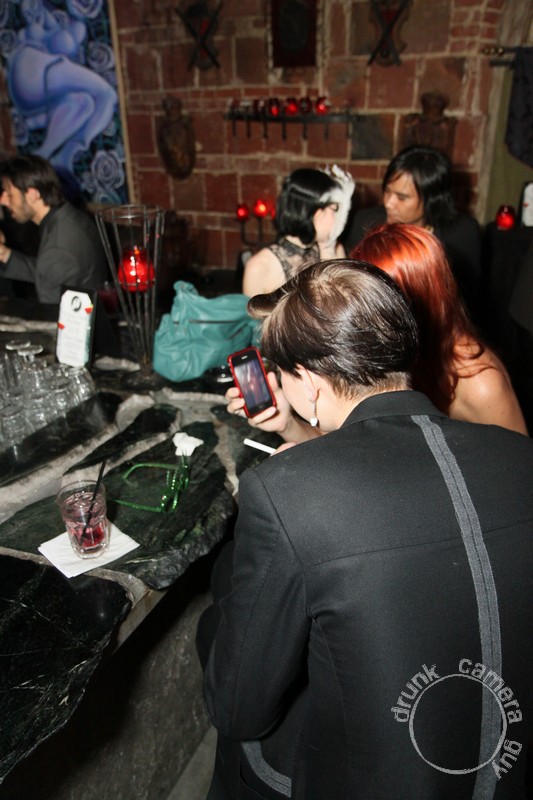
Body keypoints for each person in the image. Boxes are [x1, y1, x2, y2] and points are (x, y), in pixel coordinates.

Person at [201, 260, 533, 800]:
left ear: (308, 383)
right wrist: (294, 428)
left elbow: (238, 708)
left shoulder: (284, 493)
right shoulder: (520, 456)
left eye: (282, 373)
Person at [227, 224, 527, 440]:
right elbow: (355, 446)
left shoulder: (479, 380)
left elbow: (518, 474)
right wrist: (287, 424)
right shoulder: (380, 349)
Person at [343, 144, 482, 318]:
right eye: (387, 191)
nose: (388, 203)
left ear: (431, 200)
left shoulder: (463, 234)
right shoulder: (365, 222)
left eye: (402, 197)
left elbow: (468, 304)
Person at [0, 155, 108, 304]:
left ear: (33, 195)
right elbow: (50, 272)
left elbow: (51, 315)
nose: (2, 200)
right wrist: (5, 255)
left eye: (9, 194)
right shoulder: (68, 216)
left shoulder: (57, 249)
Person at [242, 165, 354, 297]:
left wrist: (327, 251)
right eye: (335, 209)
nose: (340, 218)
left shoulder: (336, 250)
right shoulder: (259, 266)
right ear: (317, 214)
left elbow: (344, 304)